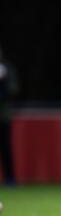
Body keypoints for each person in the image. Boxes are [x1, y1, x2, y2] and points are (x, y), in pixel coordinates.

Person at [0, 46, 19, 187]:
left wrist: (3, 84)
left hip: (3, 115)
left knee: (6, 147)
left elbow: (13, 89)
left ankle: (10, 179)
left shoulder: (6, 68)